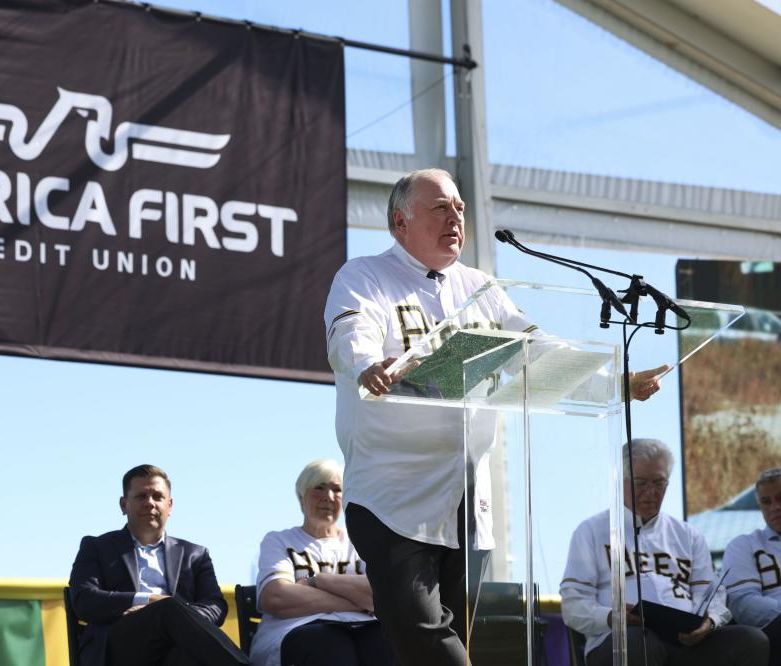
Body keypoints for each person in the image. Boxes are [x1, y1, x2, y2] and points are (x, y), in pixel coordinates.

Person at [324, 167, 667, 665]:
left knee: (446, 642)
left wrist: (613, 383)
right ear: (400, 221)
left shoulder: (479, 287)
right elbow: (349, 331)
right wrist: (365, 364)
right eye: (440, 207)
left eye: (460, 207)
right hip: (392, 495)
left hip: (466, 500)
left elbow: (538, 350)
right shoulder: (364, 276)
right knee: (421, 632)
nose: (455, 217)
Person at [560, 438, 768, 666]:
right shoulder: (591, 531)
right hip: (619, 642)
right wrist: (613, 617)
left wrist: (709, 623)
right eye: (641, 483)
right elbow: (573, 605)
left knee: (751, 640)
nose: (651, 492)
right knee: (638, 643)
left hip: (686, 642)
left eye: (659, 483)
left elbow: (711, 596)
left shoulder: (688, 534)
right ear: (621, 481)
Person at [68, 464, 249, 666]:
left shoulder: (196, 554)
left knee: (185, 655)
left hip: (175, 647)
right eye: (141, 496)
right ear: (123, 504)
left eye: (157, 497)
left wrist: (178, 617)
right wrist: (150, 601)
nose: (150, 503)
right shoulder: (96, 547)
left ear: (169, 505)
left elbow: (215, 606)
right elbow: (84, 599)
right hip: (119, 646)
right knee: (167, 607)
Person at [250, 459, 395, 666]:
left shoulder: (360, 542)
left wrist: (319, 580)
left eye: (337, 490)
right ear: (301, 497)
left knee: (387, 642)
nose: (328, 497)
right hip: (297, 631)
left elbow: (382, 595)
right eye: (319, 488)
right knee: (330, 643)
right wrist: (359, 602)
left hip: (362, 629)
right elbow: (276, 597)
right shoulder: (278, 541)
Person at [723, 467, 781, 665]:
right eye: (766, 502)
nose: (775, 507)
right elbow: (744, 605)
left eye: (780, 498)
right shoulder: (744, 545)